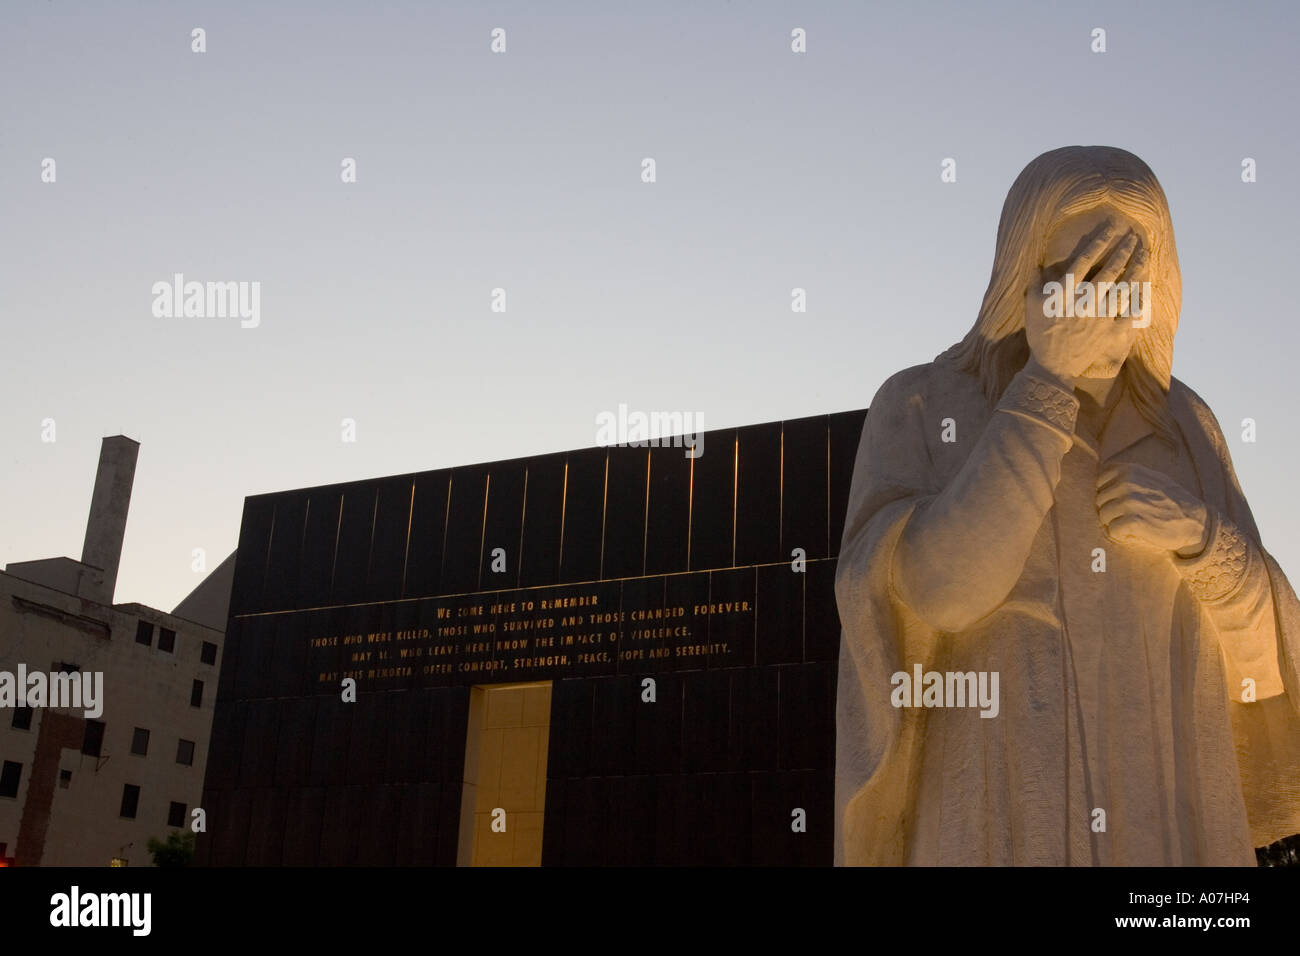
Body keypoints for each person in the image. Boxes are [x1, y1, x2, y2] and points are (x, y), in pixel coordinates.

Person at [834, 145, 1300, 865]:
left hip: (1170, 812)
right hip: (1005, 802)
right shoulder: (924, 404)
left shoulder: (1187, 426)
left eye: (1127, 278)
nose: (1104, 306)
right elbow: (937, 598)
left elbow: (1264, 672)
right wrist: (1046, 380)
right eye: (1080, 276)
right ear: (1024, 274)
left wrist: (1210, 544)